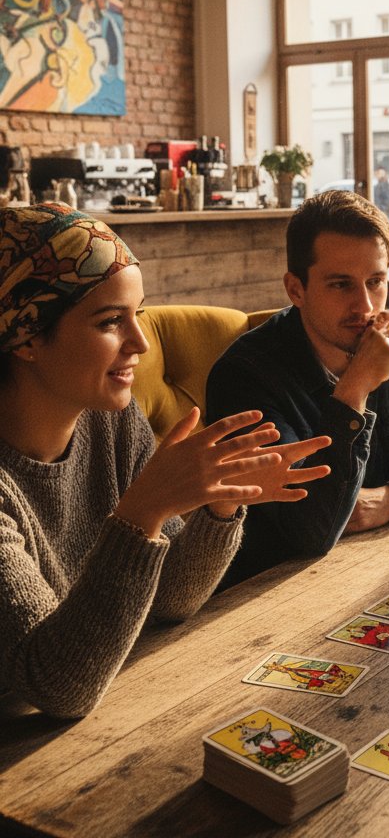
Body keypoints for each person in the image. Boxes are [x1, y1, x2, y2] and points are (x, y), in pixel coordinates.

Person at [0, 203, 330, 718]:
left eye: (139, 315)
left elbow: (171, 601)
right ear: (26, 335)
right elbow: (57, 686)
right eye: (111, 321)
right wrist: (141, 513)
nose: (141, 343)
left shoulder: (109, 419)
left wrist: (218, 507)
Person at [206, 188, 389, 587]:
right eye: (341, 285)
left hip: (378, 570)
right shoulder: (244, 377)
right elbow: (311, 531)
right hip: (270, 592)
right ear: (296, 289)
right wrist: (355, 387)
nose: (366, 307)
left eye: (376, 282)